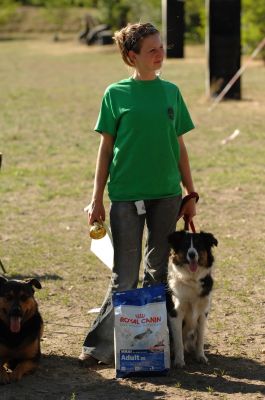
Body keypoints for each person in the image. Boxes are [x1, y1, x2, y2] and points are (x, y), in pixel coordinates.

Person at [79, 22, 197, 366]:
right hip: (126, 196)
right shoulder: (115, 94)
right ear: (132, 57)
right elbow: (105, 149)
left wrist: (190, 193)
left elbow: (180, 147)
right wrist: (97, 197)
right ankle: (99, 348)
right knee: (125, 275)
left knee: (157, 272)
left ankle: (156, 346)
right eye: (152, 50)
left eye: (162, 47)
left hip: (166, 195)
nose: (160, 54)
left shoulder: (171, 92)